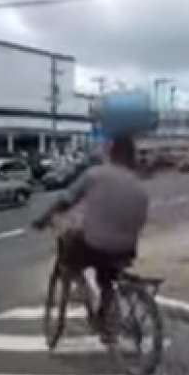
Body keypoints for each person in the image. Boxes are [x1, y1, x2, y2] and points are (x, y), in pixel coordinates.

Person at [32, 136, 149, 343]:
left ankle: (74, 284)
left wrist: (43, 219)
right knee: (107, 277)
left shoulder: (94, 175)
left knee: (69, 248)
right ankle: (105, 318)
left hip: (95, 245)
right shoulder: (139, 185)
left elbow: (65, 200)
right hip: (127, 248)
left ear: (110, 152)